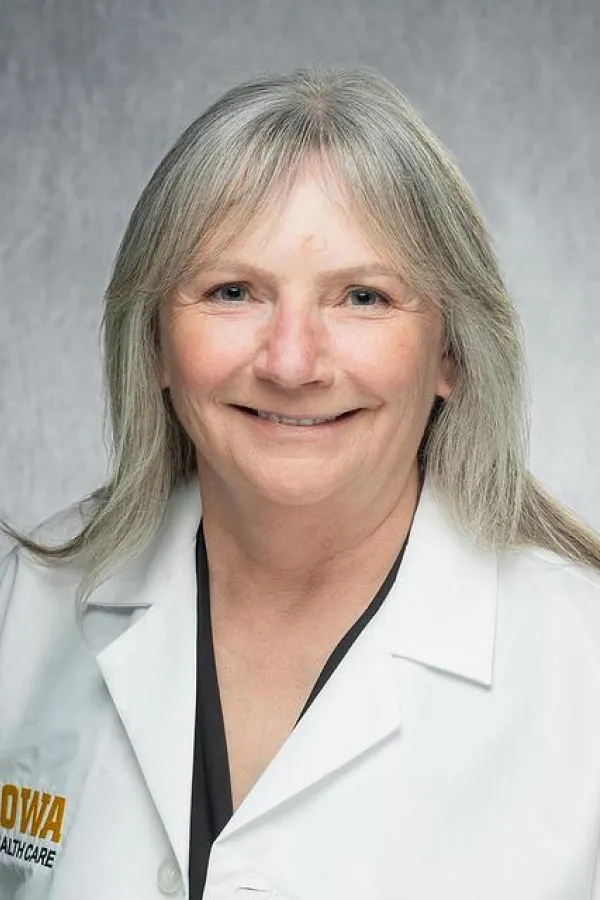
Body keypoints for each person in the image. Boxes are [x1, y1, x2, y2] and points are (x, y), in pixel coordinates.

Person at [1, 65, 599, 900]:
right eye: (233, 291)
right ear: (156, 343)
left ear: (452, 354)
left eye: (363, 297)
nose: (291, 363)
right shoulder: (25, 608)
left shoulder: (581, 667)